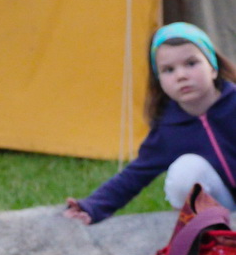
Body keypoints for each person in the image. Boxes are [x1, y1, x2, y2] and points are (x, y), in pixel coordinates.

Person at [66, 22, 236, 225]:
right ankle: (209, 238)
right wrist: (92, 206)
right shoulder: (168, 129)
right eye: (169, 70)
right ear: (159, 81)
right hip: (223, 211)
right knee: (185, 171)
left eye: (191, 63)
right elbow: (136, 174)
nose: (181, 75)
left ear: (213, 68)